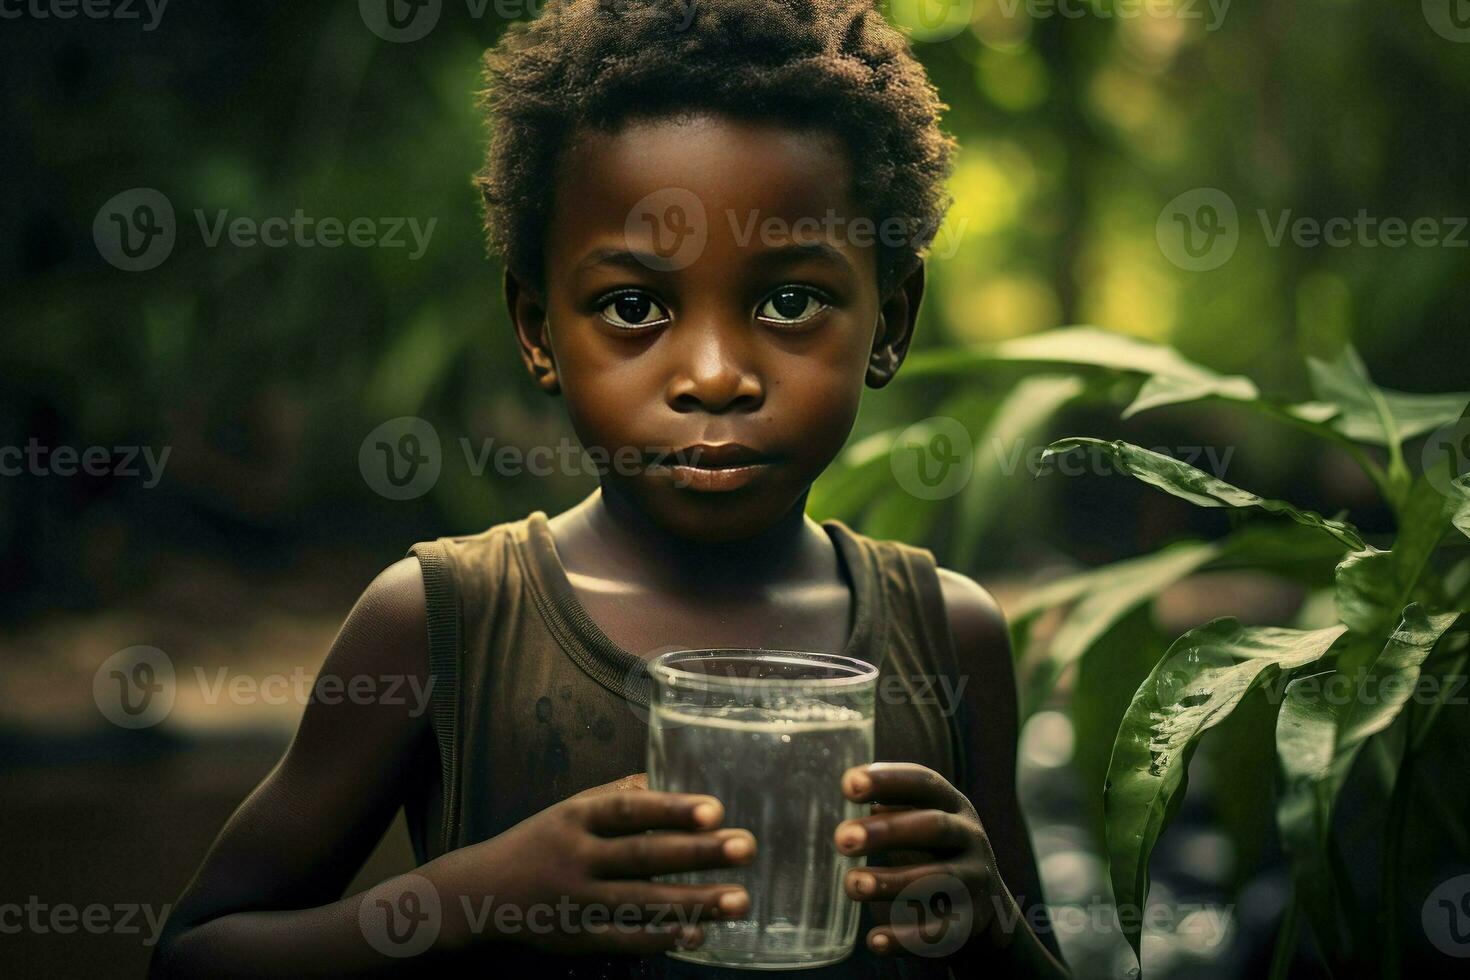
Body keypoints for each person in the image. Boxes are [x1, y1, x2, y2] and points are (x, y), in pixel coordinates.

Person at [151, 1, 1067, 976]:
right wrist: (477, 894)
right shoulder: (442, 620)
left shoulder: (949, 635)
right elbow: (194, 956)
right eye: (634, 306)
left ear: (890, 319)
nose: (715, 374)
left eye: (789, 300)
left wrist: (994, 928)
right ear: (539, 328)